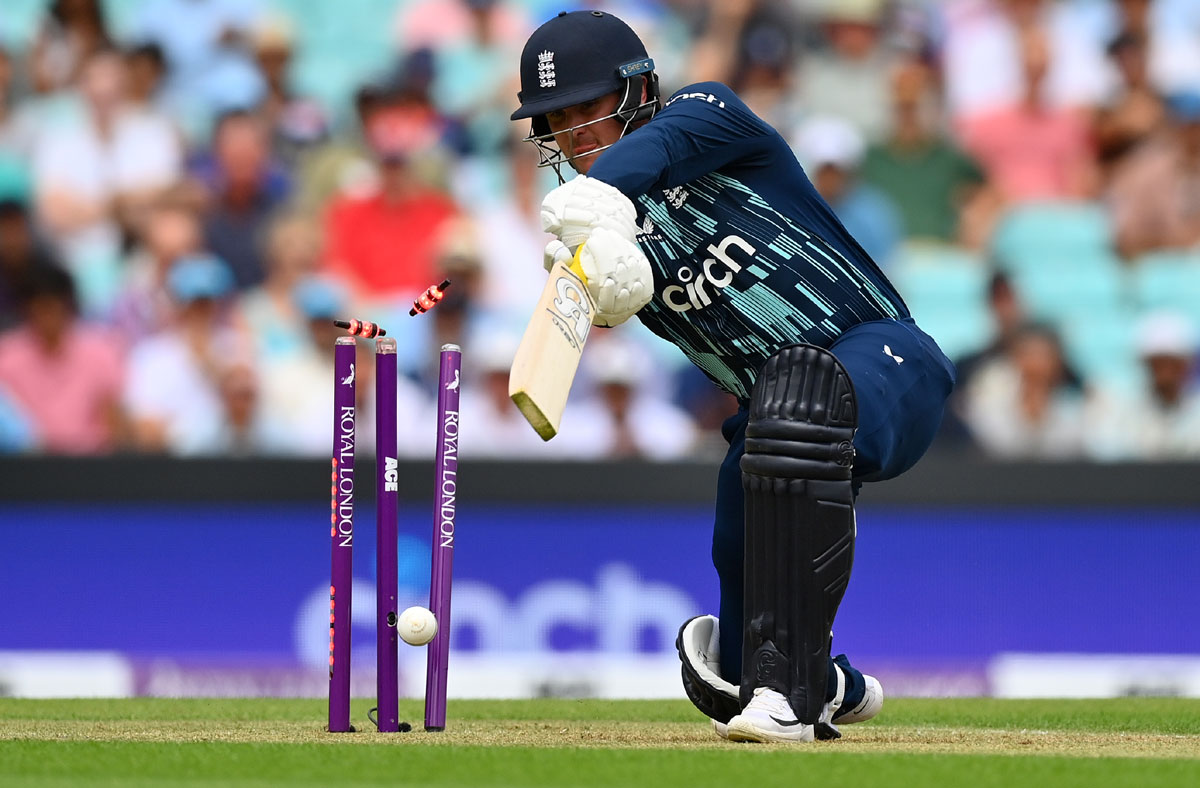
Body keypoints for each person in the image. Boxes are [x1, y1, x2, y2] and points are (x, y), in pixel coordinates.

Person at [509, 11, 955, 743]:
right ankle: (814, 680)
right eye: (556, 120)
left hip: (888, 363)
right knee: (755, 483)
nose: (575, 134)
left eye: (588, 108)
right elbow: (607, 297)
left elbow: (657, 151)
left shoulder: (711, 117)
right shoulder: (604, 230)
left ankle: (789, 696)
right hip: (777, 425)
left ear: (639, 89)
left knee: (796, 399)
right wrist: (587, 274)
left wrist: (601, 200)